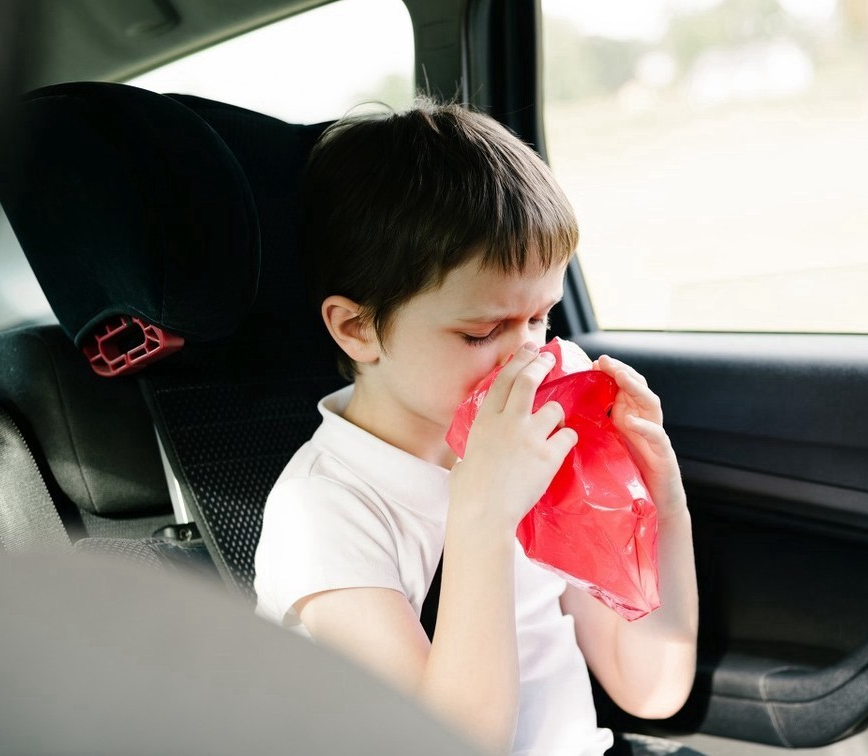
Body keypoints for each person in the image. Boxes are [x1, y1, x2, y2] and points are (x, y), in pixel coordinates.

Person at [253, 100, 699, 756]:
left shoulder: (540, 422)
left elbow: (651, 688)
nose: (529, 354)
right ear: (357, 328)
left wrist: (663, 503)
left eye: (542, 317)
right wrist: (484, 519)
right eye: (482, 331)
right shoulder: (325, 510)